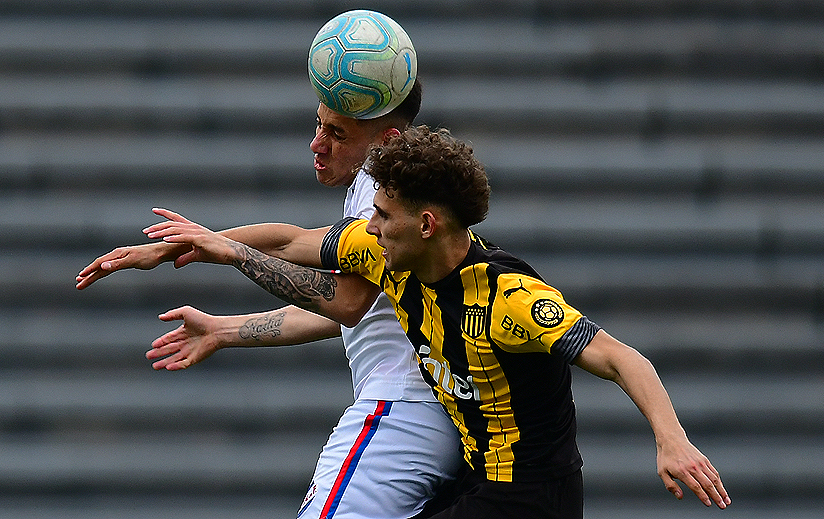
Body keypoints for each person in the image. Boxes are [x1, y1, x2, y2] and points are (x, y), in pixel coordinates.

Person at [138, 125, 731, 518]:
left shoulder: (509, 298)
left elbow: (622, 357)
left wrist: (671, 441)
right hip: (477, 484)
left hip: (530, 500)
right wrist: (199, 242)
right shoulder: (386, 251)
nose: (367, 226)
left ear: (426, 225)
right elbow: (292, 239)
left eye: (382, 214)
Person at [77, 76, 463, 518]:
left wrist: (224, 251)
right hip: (434, 416)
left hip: (402, 410)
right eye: (317, 125)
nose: (317, 145)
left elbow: (349, 302)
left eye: (337, 133)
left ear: (386, 140)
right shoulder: (398, 195)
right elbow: (302, 251)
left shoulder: (379, 189)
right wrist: (223, 324)